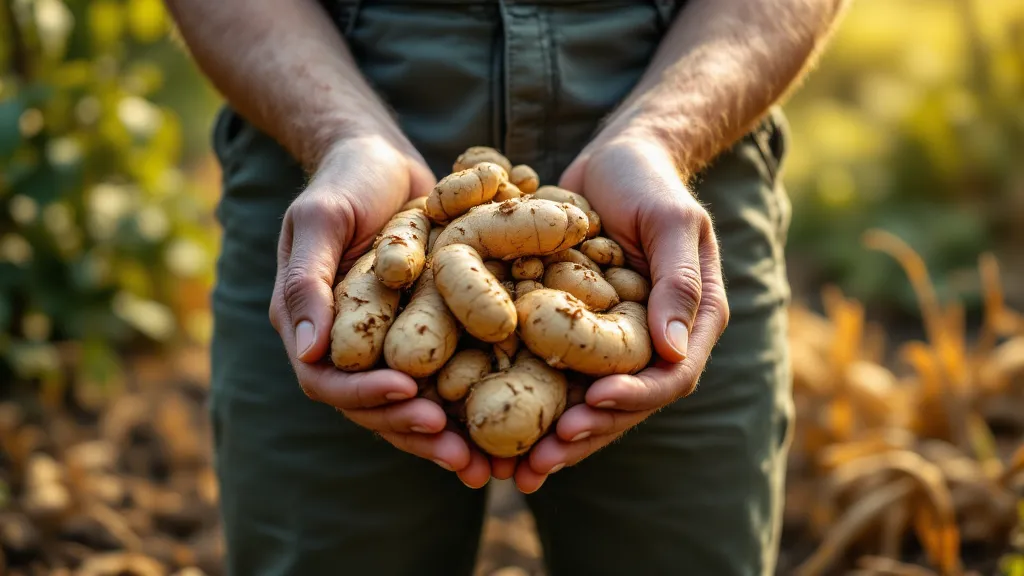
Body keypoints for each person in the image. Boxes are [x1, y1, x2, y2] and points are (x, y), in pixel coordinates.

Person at [164, 0, 849, 574]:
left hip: (679, 140)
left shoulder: (559, 263)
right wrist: (343, 134)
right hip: (321, 139)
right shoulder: (437, 249)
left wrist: (662, 136)